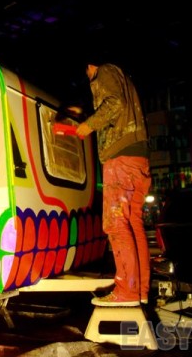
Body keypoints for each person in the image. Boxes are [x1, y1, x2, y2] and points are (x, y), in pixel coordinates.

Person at [68, 60, 151, 307]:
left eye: (86, 73)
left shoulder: (104, 72)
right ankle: (140, 290)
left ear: (89, 65)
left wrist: (89, 125)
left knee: (115, 223)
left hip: (121, 156)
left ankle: (126, 290)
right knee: (133, 223)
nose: (87, 78)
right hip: (138, 157)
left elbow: (114, 103)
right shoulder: (123, 75)